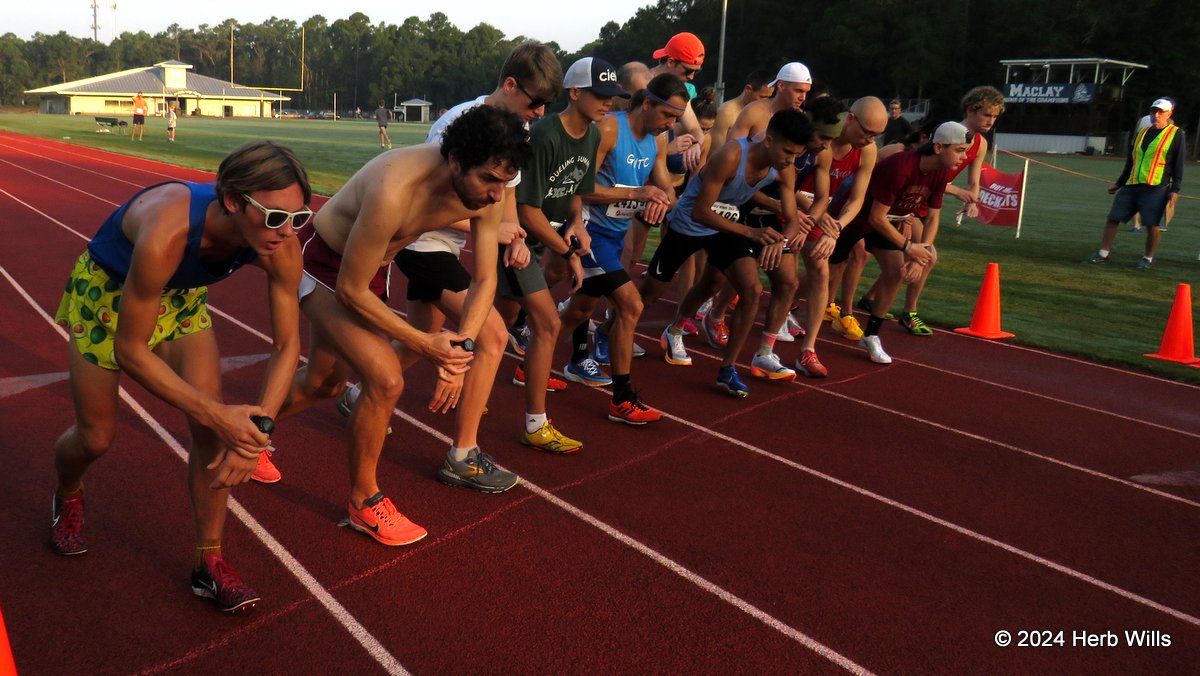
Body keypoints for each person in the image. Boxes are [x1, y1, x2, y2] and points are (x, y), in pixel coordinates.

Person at [50, 141, 311, 613]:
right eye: (275, 217)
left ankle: (208, 562)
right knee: (96, 438)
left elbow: (288, 345)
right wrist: (219, 414)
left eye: (299, 217)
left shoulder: (281, 246)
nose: (287, 231)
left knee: (213, 432)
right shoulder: (167, 231)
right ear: (233, 200)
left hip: (180, 296)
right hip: (108, 295)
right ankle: (68, 494)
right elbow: (130, 349)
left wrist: (257, 431)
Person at [274, 105, 530, 546]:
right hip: (324, 267)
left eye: (503, 183)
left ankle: (244, 430)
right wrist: (428, 345)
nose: (495, 195)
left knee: (325, 383)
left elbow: (486, 278)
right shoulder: (396, 187)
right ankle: (365, 502)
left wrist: (462, 346)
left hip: (372, 270)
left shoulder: (486, 190)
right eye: (489, 180)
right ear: (455, 161)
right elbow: (351, 290)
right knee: (385, 379)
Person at [326, 41, 560, 494]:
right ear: (510, 85)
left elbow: (501, 200)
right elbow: (431, 204)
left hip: (450, 246)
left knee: (422, 337)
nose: (541, 110)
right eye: (535, 101)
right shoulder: (459, 127)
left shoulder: (514, 132)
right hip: (421, 243)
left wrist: (512, 234)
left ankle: (356, 395)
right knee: (490, 337)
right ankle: (463, 455)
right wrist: (489, 228)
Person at [497, 56, 624, 453]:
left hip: (539, 239)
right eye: (599, 95)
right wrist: (567, 251)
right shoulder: (546, 135)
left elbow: (574, 192)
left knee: (493, 324)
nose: (608, 103)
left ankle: (445, 374)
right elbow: (527, 210)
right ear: (574, 92)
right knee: (547, 324)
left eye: (611, 96)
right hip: (517, 238)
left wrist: (578, 224)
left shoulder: (591, 136)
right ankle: (536, 423)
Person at [638, 110, 811, 397]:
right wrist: (752, 233)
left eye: (796, 156)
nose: (790, 161)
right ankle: (609, 330)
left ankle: (726, 368)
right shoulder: (731, 155)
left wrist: (780, 243)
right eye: (788, 152)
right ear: (768, 141)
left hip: (725, 227)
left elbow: (791, 218)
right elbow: (700, 211)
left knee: (749, 289)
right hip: (690, 224)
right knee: (650, 292)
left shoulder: (785, 168)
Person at [561, 73, 686, 424]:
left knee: (579, 309)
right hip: (588, 230)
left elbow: (666, 186)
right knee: (630, 304)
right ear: (646, 103)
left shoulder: (659, 140)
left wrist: (664, 200)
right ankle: (623, 398)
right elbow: (579, 187)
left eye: (676, 119)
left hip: (615, 235)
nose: (670, 125)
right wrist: (638, 194)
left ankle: (531, 364)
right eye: (667, 115)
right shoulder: (609, 130)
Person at [858, 86, 1004, 334]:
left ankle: (870, 298)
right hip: (910, 202)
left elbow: (974, 181)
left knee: (905, 258)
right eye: (986, 115)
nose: (990, 121)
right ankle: (909, 311)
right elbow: (921, 169)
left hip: (929, 202)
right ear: (971, 110)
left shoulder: (979, 143)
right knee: (925, 256)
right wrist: (958, 192)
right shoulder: (946, 133)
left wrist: (971, 200)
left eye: (995, 117)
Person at [828, 122, 971, 364]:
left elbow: (934, 216)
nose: (964, 157)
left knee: (894, 273)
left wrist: (922, 252)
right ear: (938, 147)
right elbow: (874, 217)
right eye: (959, 150)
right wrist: (909, 248)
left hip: (886, 221)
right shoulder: (901, 166)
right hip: (856, 217)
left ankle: (871, 335)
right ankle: (787, 311)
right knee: (824, 272)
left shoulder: (940, 172)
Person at [795, 96, 887, 377]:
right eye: (867, 131)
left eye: (876, 135)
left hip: (821, 214)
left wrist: (835, 227)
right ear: (850, 119)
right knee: (768, 277)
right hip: (792, 206)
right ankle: (715, 311)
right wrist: (822, 219)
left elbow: (857, 200)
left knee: (820, 272)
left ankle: (808, 350)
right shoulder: (818, 142)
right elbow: (788, 184)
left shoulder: (868, 151)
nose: (870, 139)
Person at [1088, 98, 1185, 268]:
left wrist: (1175, 189)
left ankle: (1147, 259)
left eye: (1160, 112)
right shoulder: (1142, 132)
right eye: (1153, 111)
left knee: (1152, 225)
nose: (1156, 115)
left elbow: (1178, 164)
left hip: (1156, 187)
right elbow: (1130, 161)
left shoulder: (1176, 134)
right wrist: (1119, 183)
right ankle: (1103, 254)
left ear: (1169, 113)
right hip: (1132, 184)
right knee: (1113, 218)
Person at [709, 69, 776, 150]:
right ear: (748, 89)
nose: (765, 101)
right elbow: (716, 152)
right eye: (762, 97)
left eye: (768, 97)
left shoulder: (765, 113)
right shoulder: (726, 112)